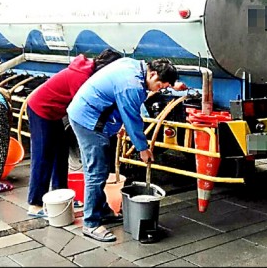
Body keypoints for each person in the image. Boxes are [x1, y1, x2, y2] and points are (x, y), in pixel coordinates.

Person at [67, 57, 186, 242]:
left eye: (164, 88)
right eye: (160, 85)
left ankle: (103, 211)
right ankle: (91, 223)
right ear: (152, 74)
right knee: (96, 173)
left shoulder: (134, 66)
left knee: (101, 170)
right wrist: (143, 148)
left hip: (89, 115)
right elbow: (132, 118)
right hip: (88, 121)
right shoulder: (131, 85)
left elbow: (122, 103)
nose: (160, 89)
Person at [26, 49, 122, 218]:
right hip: (41, 109)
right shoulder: (81, 77)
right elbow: (85, 105)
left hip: (55, 113)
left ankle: (61, 197)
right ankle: (35, 203)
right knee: (43, 156)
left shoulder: (89, 73)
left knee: (60, 153)